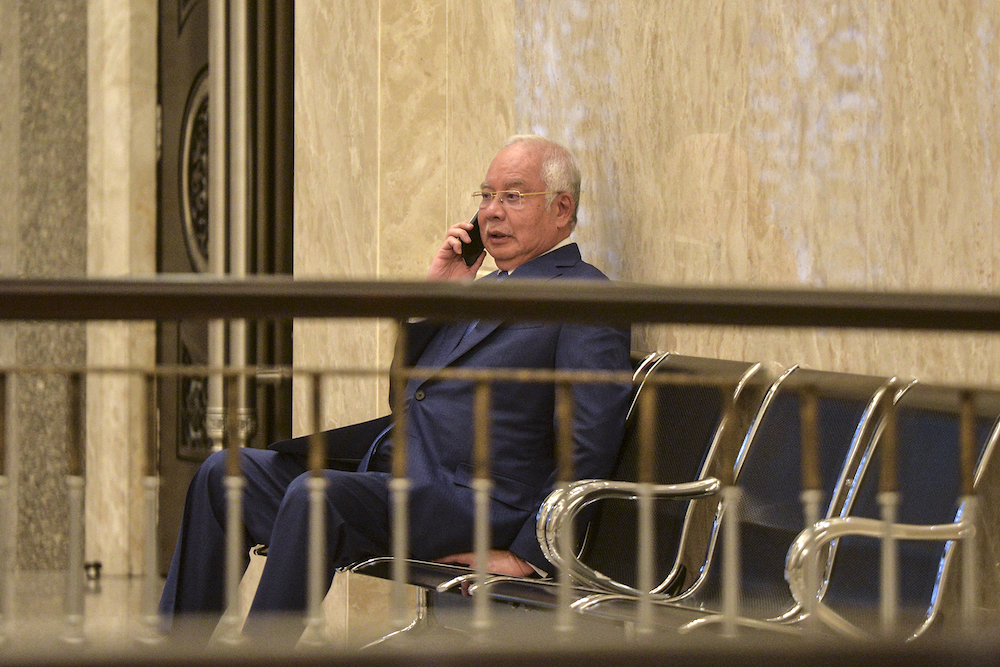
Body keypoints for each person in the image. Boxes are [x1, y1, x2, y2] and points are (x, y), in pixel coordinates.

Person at [159, 135, 632, 629]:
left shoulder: (584, 297)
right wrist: (434, 304)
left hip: (478, 503)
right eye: (486, 196)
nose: (491, 212)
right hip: (404, 482)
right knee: (224, 474)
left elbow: (590, 442)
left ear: (561, 209)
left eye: (512, 196)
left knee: (317, 496)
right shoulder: (480, 288)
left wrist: (531, 555)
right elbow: (408, 398)